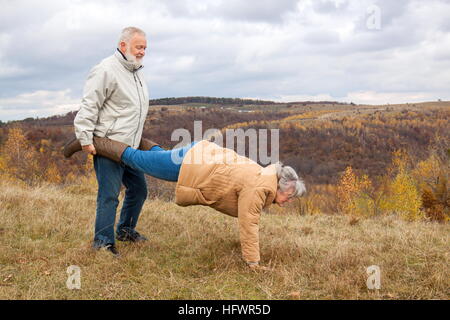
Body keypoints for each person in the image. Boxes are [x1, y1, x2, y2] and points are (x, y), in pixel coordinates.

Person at [64, 137, 306, 269]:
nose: (286, 202)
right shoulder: (259, 188)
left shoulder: (264, 176)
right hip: (192, 165)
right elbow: (249, 226)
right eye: (289, 197)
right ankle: (89, 140)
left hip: (199, 155)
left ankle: (136, 138)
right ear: (280, 186)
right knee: (137, 159)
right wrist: (253, 263)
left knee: (157, 157)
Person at [72, 27, 158, 256]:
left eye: (144, 48)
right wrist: (85, 138)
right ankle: (102, 242)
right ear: (123, 45)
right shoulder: (105, 70)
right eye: (139, 47)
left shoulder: (136, 71)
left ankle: (125, 230)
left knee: (139, 190)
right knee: (109, 195)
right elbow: (90, 105)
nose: (142, 52)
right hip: (108, 146)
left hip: (129, 147)